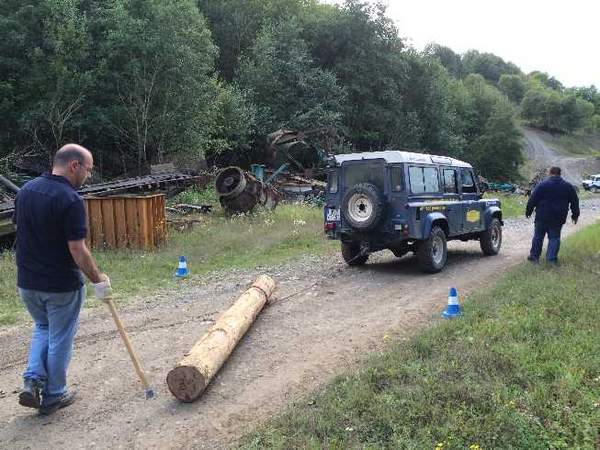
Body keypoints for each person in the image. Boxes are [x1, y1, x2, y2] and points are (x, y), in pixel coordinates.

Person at [13, 143, 113, 415]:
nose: (88, 176)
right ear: (74, 165)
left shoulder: (26, 191)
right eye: (88, 170)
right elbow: (77, 249)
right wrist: (98, 280)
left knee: (43, 328)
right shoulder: (69, 199)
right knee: (59, 338)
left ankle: (32, 378)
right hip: (60, 285)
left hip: (27, 282)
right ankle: (54, 395)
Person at [525, 166, 579, 264]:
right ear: (560, 174)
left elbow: (532, 199)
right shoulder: (568, 186)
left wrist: (528, 211)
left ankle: (534, 258)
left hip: (542, 216)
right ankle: (551, 260)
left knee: (538, 237)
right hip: (558, 217)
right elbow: (575, 202)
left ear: (550, 173)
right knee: (554, 238)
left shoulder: (542, 185)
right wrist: (575, 215)